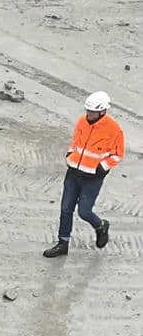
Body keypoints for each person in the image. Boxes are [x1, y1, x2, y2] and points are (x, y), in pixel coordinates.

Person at [44, 91, 124, 258]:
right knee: (66, 209)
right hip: (73, 173)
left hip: (93, 178)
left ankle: (100, 226)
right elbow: (75, 141)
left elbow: (117, 154)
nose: (89, 114)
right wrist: (70, 154)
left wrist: (102, 167)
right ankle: (62, 243)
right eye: (88, 110)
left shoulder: (114, 130)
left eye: (93, 112)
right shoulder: (82, 121)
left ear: (103, 112)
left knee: (84, 212)